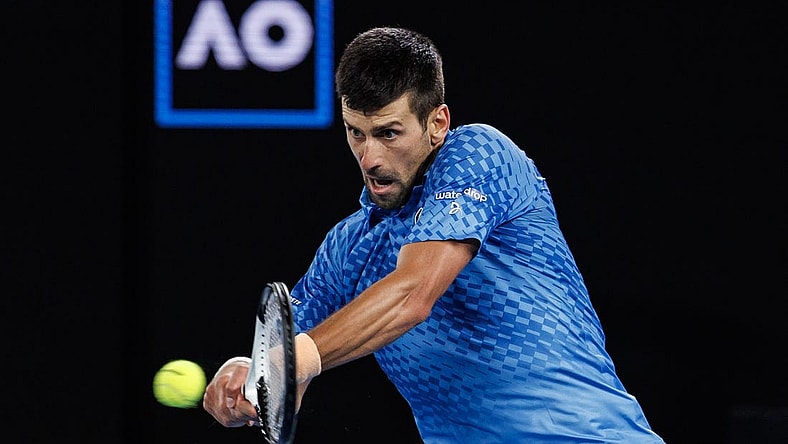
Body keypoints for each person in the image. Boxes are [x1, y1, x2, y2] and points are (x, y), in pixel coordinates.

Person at [203, 26, 665, 443]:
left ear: (437, 124)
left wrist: (296, 359)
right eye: (355, 133)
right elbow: (288, 356)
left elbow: (413, 293)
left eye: (388, 133)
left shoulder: (479, 154)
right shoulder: (346, 251)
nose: (370, 158)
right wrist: (246, 374)